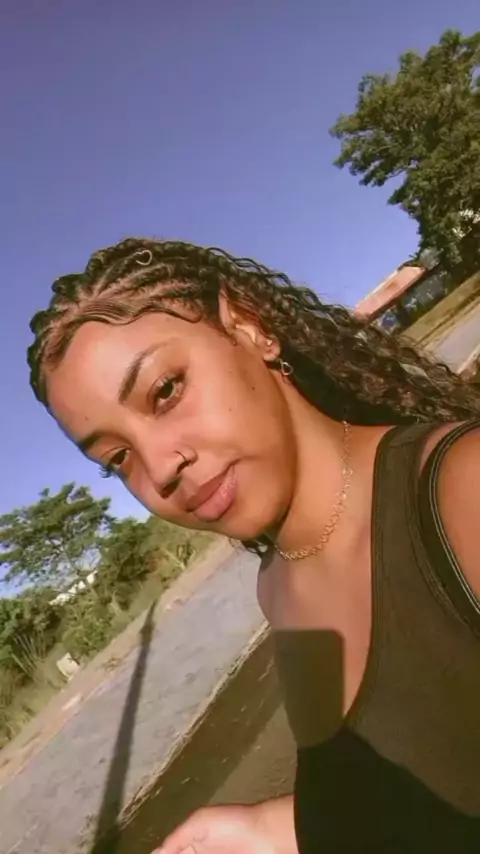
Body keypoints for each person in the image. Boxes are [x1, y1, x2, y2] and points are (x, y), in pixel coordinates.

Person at [27, 238, 480, 852]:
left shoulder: (461, 495)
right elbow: (407, 795)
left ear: (248, 326)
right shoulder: (279, 583)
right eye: (117, 458)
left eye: (166, 390)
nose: (159, 468)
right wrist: (270, 829)